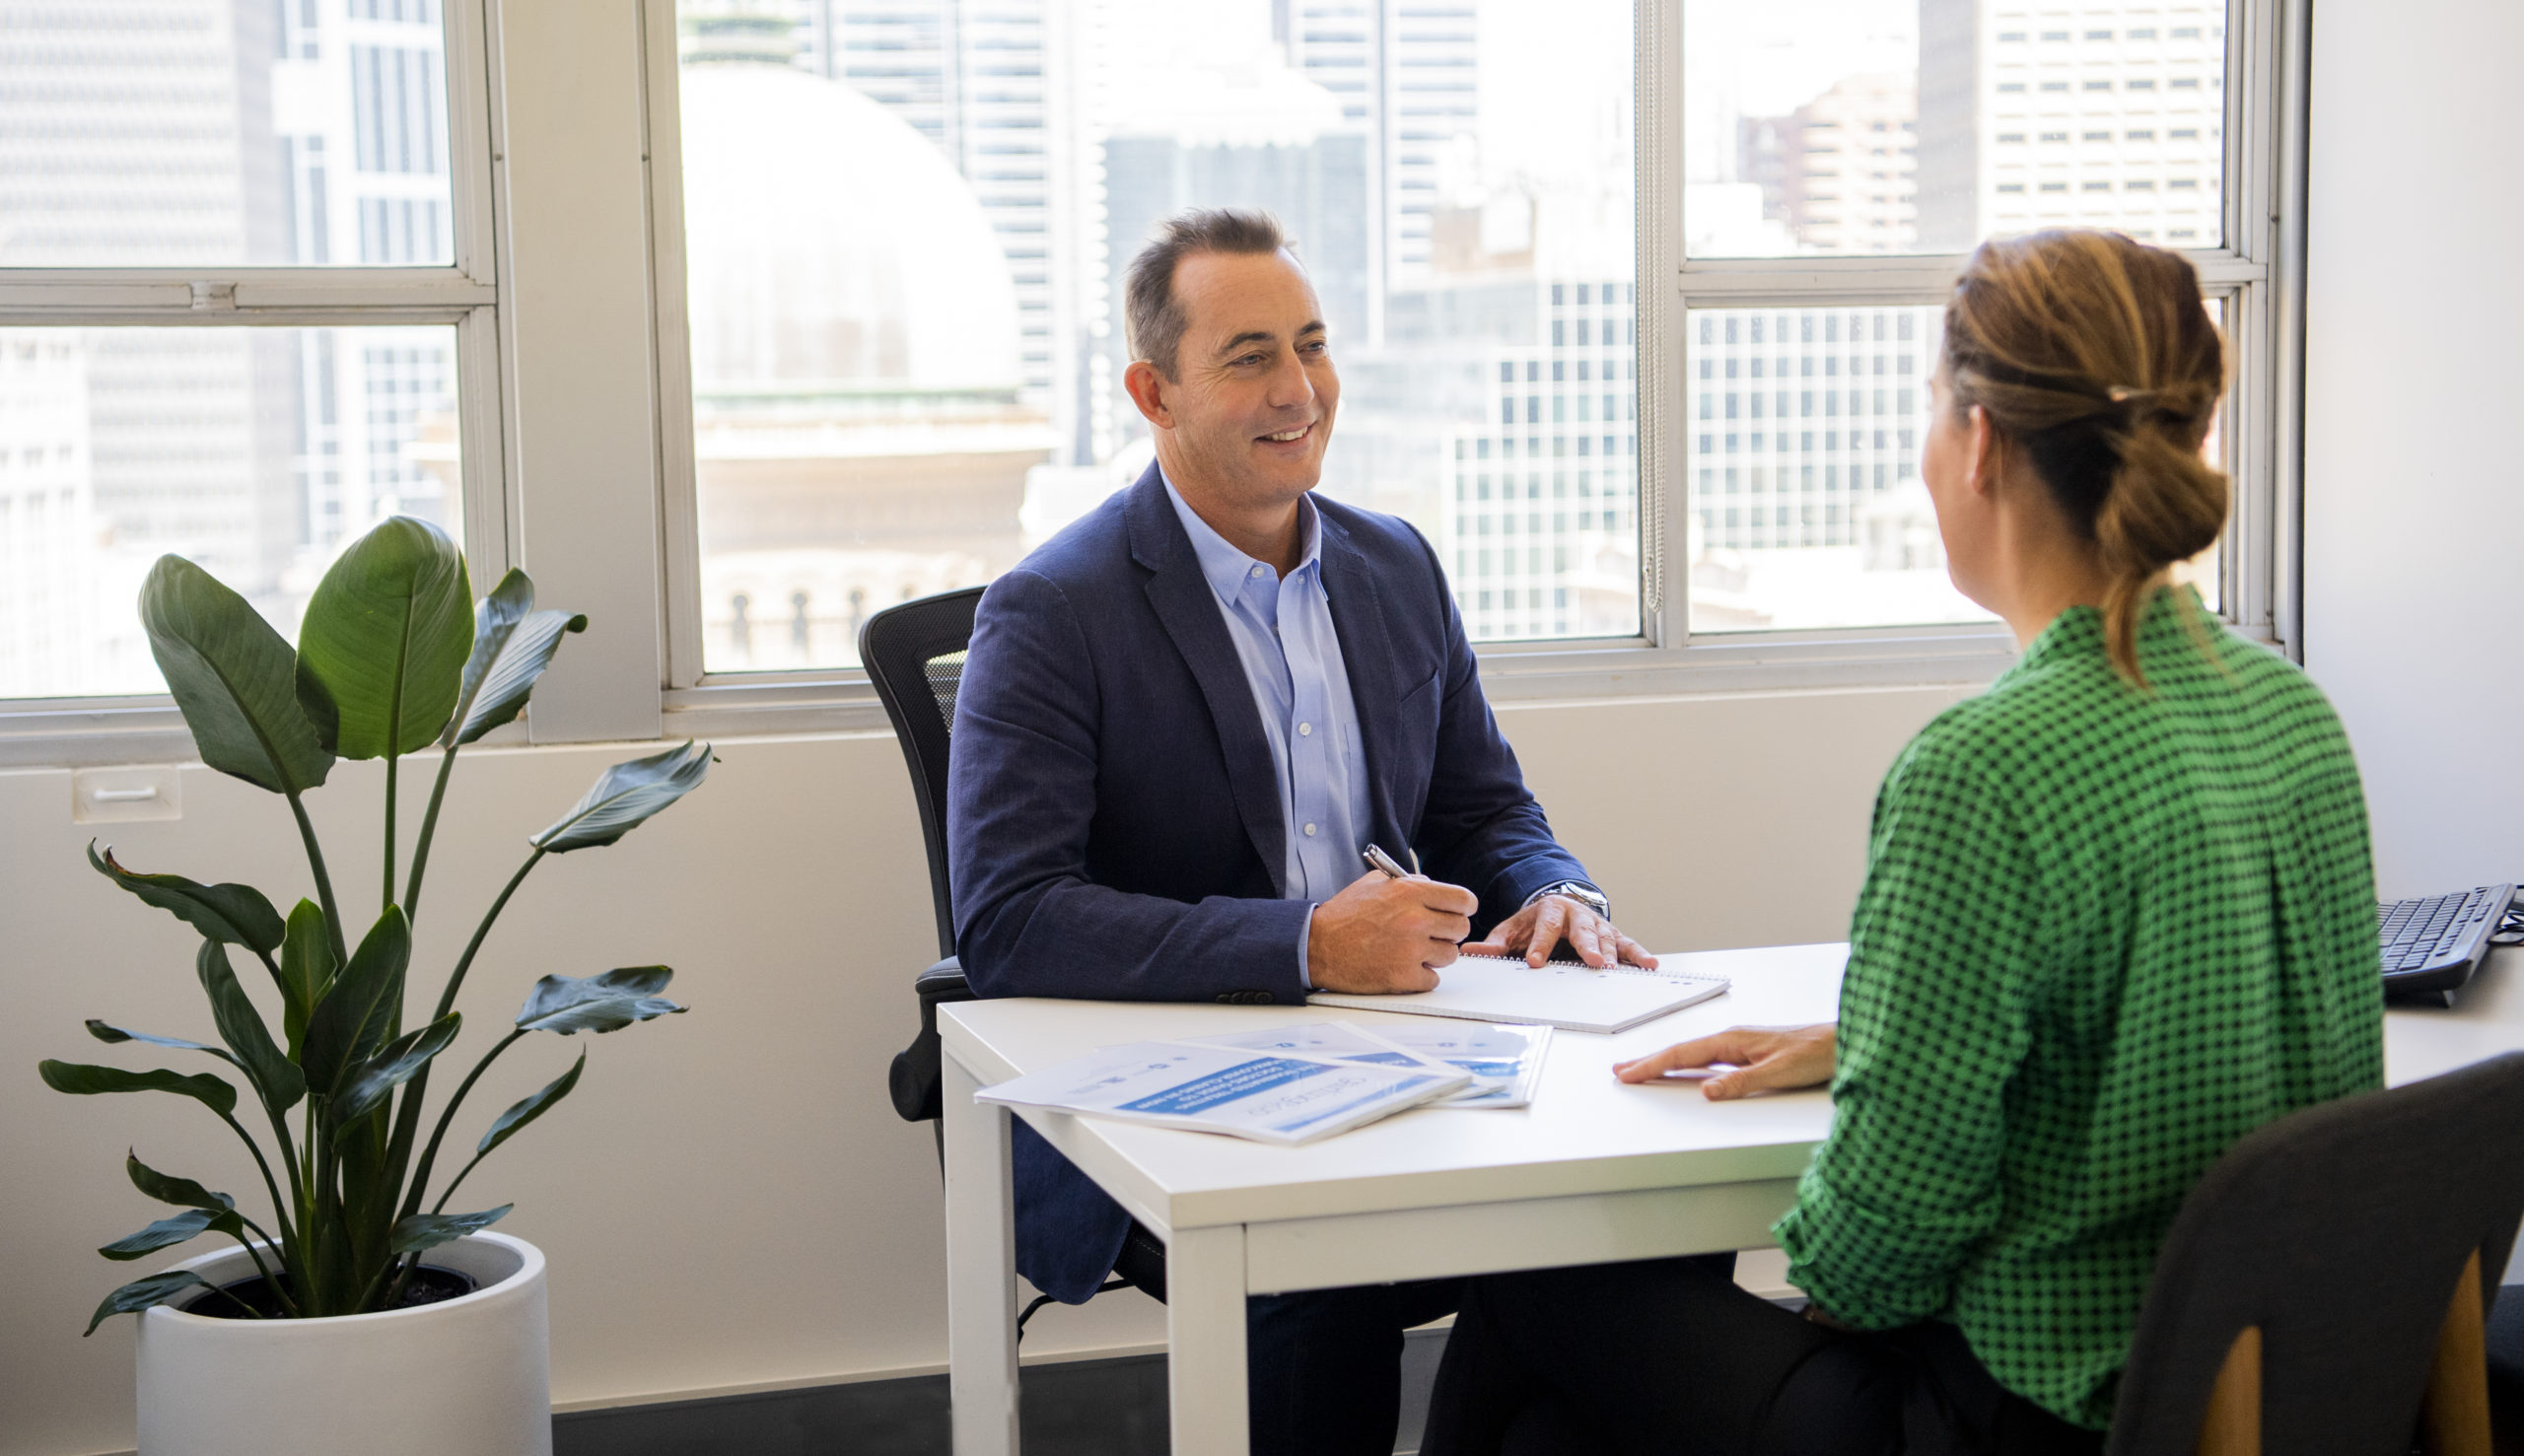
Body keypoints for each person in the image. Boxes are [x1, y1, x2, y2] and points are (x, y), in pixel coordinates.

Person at [1421, 229, 2385, 1456]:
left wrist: (1890, 1119)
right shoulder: (2284, 706)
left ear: (1978, 443)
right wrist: (1883, 1050)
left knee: (1529, 1290)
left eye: (1931, 408)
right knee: (1552, 1433)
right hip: (2269, 1392)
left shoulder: (1985, 771)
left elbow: (1869, 1262)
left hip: (2022, 1416)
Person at [946, 207, 1658, 1456]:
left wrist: (1559, 893)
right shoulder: (1052, 609)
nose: (1298, 388)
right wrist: (1306, 946)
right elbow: (1008, 918)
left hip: (1413, 1052)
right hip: (1175, 1084)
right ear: (1152, 392)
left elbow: (1487, 809)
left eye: (1313, 345)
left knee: (1614, 1227)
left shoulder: (1395, 568)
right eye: (1248, 356)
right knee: (1316, 1281)